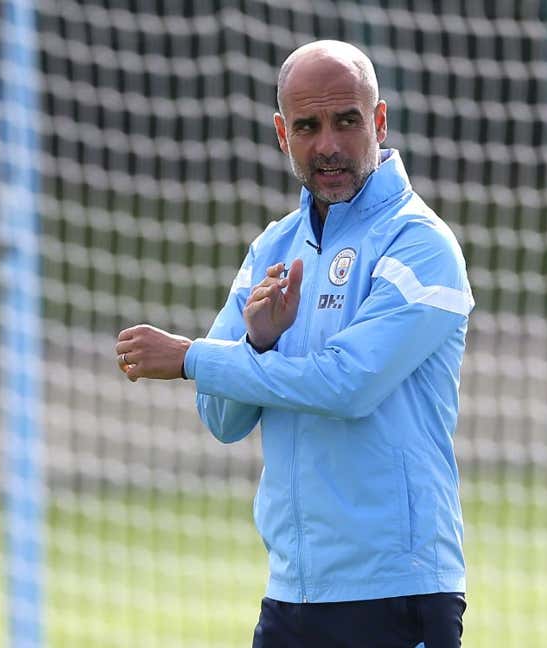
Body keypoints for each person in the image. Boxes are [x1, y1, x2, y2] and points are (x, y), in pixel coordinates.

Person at [114, 40, 474, 647]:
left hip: (397, 592)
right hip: (293, 594)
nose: (327, 145)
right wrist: (255, 342)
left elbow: (348, 385)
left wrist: (192, 357)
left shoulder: (421, 244)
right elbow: (223, 419)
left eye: (347, 121)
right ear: (283, 133)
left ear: (379, 122)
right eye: (307, 126)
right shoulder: (272, 249)